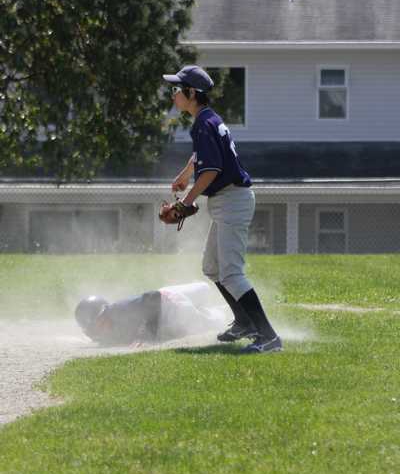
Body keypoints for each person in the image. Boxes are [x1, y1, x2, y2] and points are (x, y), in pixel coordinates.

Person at [162, 65, 282, 353]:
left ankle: (269, 337)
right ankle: (244, 322)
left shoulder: (203, 124)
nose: (173, 94)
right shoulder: (208, 119)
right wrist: (185, 174)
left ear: (192, 93)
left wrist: (186, 201)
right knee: (212, 267)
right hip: (229, 200)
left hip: (232, 200)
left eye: (177, 89)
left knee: (231, 273)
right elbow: (202, 157)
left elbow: (211, 170)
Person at [75, 282, 224, 346]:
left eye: (100, 322)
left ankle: (228, 310)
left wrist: (147, 336)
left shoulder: (118, 310)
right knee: (204, 291)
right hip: (170, 295)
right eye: (95, 328)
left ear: (106, 312)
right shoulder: (106, 334)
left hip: (174, 311)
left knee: (220, 319)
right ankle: (216, 305)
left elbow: (153, 297)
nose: (100, 329)